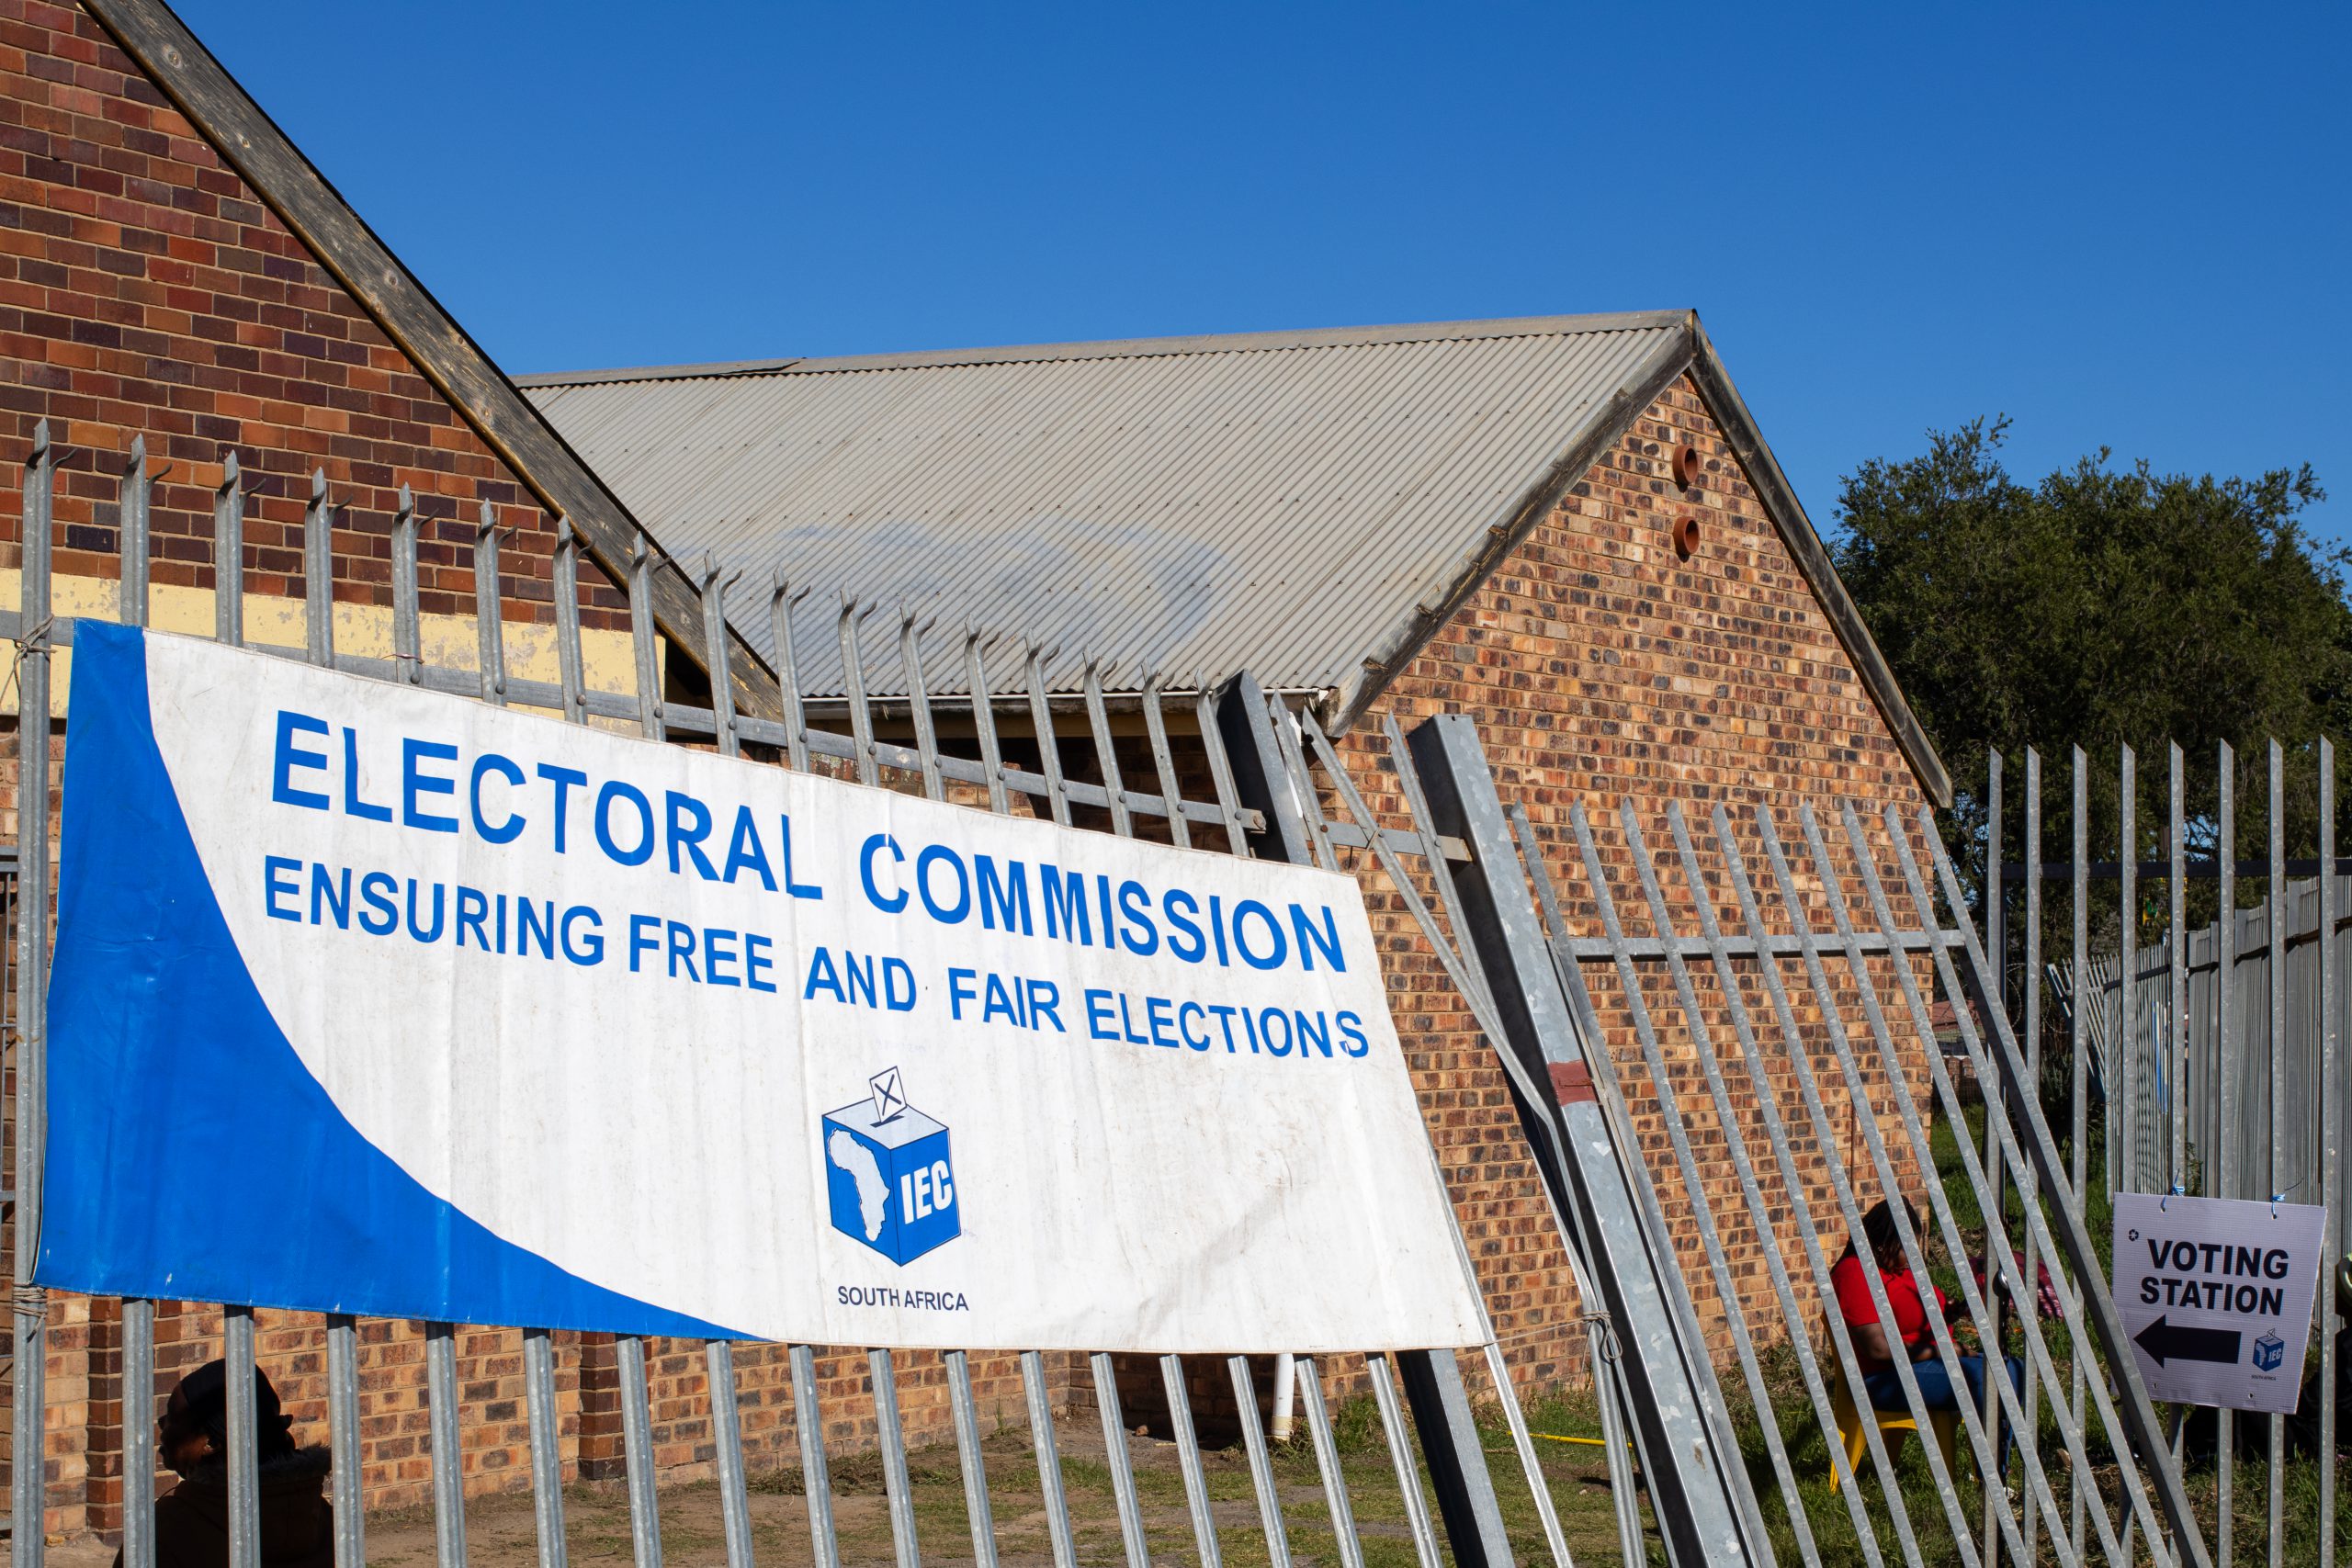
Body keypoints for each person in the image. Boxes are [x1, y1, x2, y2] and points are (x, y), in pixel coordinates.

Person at [1832, 1197, 2025, 1475]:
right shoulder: (1855, 1273)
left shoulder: (1893, 1270)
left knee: (2013, 1367)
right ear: (1883, 1242)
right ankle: (1992, 1477)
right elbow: (1877, 1348)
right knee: (1986, 1378)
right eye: (1907, 1245)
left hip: (1920, 1363)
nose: (1913, 1254)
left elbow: (1907, 1318)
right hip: (1883, 1377)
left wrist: (1951, 1313)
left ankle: (2003, 1462)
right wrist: (1945, 1351)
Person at [115, 1359, 334, 1568]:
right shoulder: (323, 1518)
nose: (162, 1424)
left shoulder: (164, 1534)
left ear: (210, 1442)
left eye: (173, 1416)